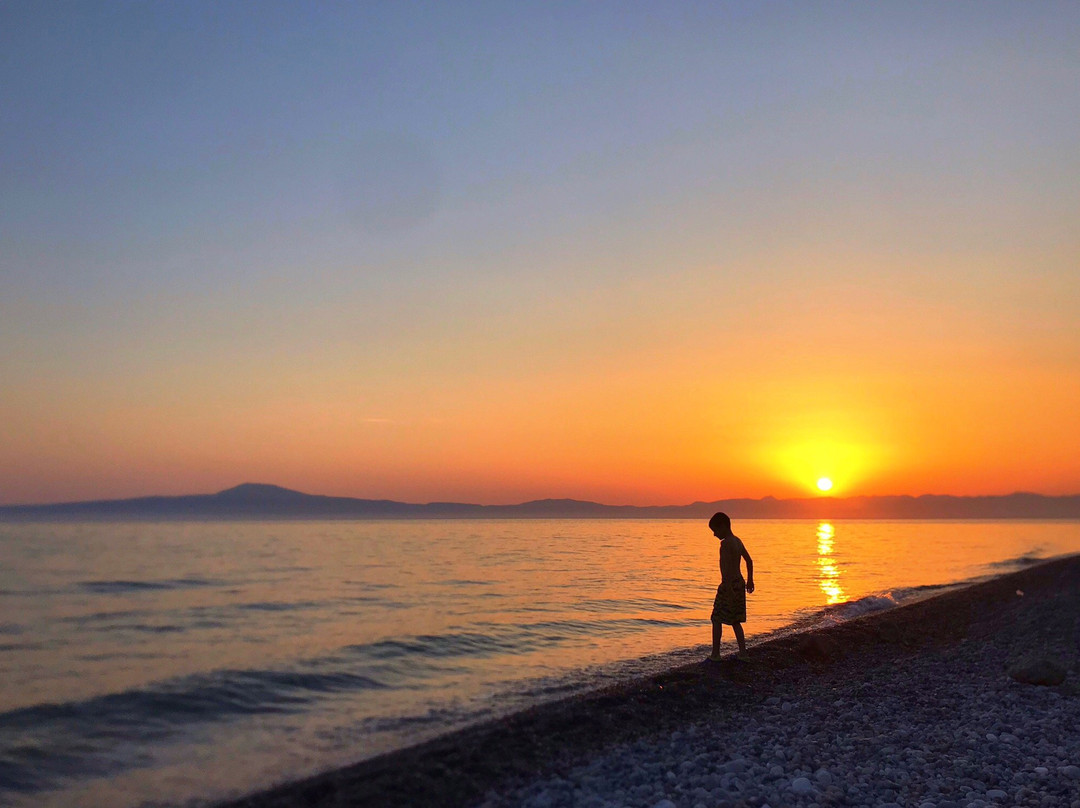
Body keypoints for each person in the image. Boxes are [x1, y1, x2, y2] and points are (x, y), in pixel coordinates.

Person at [708, 511, 754, 662]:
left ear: (723, 527)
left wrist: (726, 588)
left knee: (716, 618)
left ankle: (715, 654)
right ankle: (743, 653)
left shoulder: (725, 544)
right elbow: (749, 561)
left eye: (715, 530)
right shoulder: (737, 541)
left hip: (728, 585)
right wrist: (750, 581)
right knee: (735, 620)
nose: (714, 534)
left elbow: (724, 568)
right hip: (739, 583)